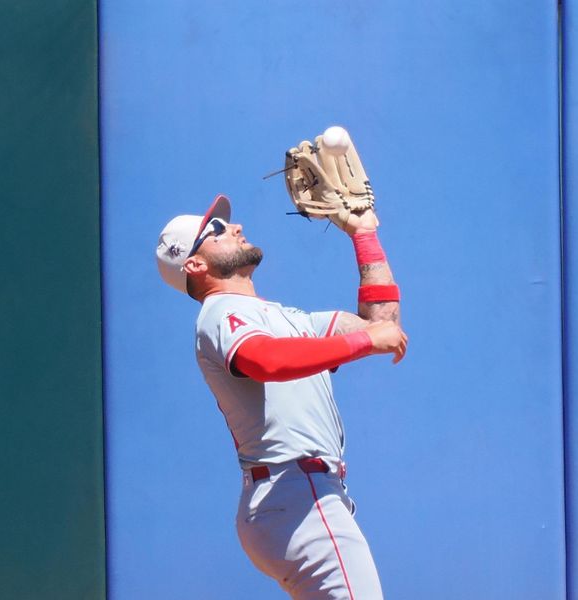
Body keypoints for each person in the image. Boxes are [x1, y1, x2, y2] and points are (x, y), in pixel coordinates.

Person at [156, 194, 406, 599]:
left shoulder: (291, 319)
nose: (234, 227)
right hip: (293, 491)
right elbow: (266, 361)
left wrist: (364, 234)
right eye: (216, 230)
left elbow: (383, 327)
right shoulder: (219, 312)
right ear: (195, 264)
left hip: (301, 494)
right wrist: (364, 340)